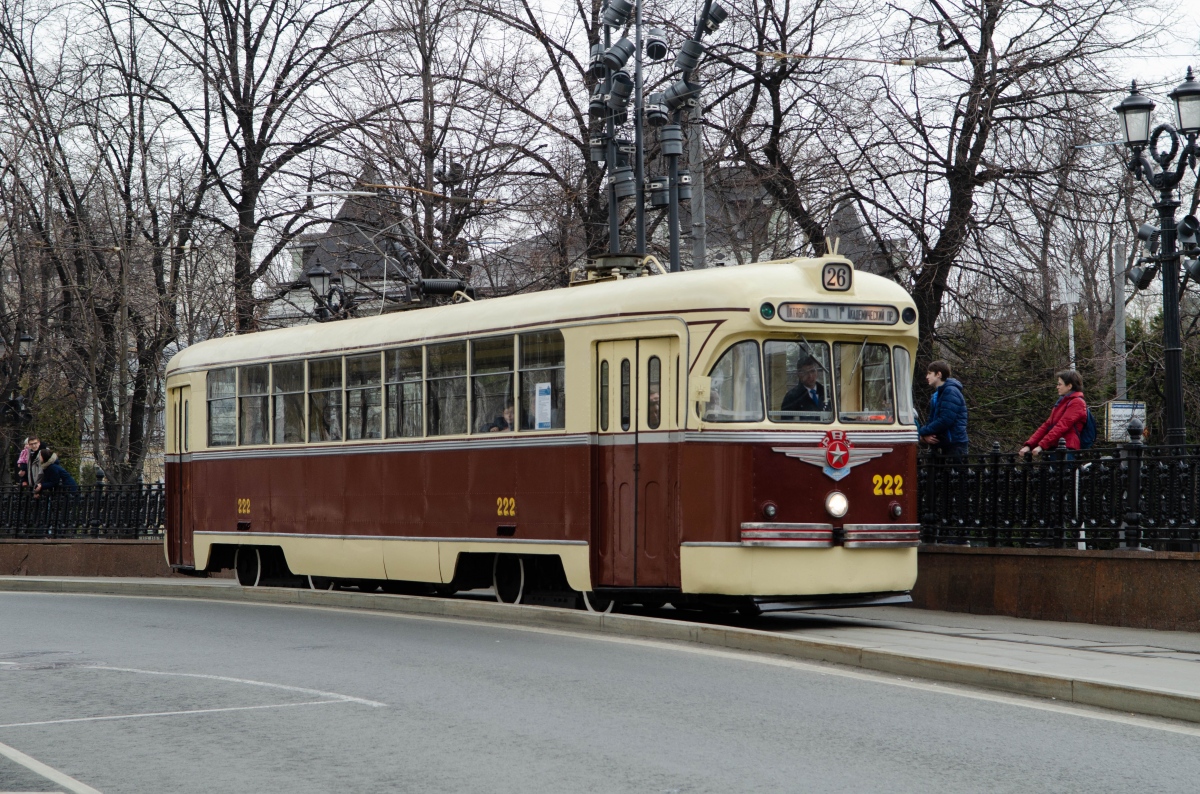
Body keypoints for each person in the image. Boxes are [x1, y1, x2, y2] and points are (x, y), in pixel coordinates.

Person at [1020, 370, 1087, 459]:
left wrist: (1042, 445)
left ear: (1069, 386)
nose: (1057, 387)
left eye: (1060, 384)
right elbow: (1047, 425)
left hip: (1067, 449)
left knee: (1062, 472)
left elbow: (1062, 426)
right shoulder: (1062, 402)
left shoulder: (1077, 402)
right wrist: (1029, 445)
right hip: (1054, 447)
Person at [918, 360, 968, 456]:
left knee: (955, 471)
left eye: (929, 373)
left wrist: (922, 431)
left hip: (954, 444)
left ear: (938, 374)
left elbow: (945, 420)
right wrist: (924, 435)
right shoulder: (937, 395)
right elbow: (932, 419)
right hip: (943, 443)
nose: (927, 377)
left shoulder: (950, 391)